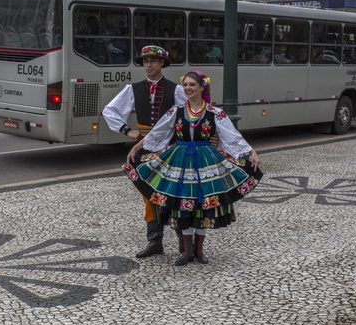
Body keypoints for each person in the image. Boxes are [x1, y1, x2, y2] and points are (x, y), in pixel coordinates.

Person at [124, 70, 262, 266]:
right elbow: (158, 132)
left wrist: (251, 152)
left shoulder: (215, 113)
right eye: (186, 85)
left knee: (202, 204)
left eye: (192, 85)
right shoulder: (177, 111)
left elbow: (231, 135)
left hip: (205, 162)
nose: (188, 88)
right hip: (181, 161)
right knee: (183, 204)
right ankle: (187, 251)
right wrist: (137, 148)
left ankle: (199, 250)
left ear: (201, 87)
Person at [103, 45, 187, 258]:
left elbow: (190, 114)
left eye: (153, 61)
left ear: (162, 64)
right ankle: (155, 241)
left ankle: (183, 240)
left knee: (174, 193)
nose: (148, 65)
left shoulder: (176, 89)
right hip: (145, 148)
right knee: (148, 195)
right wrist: (128, 131)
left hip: (170, 149)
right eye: (145, 62)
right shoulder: (133, 88)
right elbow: (109, 110)